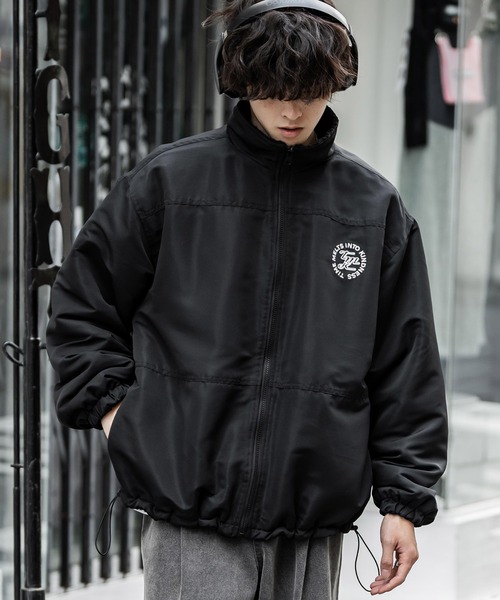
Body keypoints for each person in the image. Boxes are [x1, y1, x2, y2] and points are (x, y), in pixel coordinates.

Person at [46, 1, 448, 598]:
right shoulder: (170, 184)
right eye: (274, 90)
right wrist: (122, 417)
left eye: (309, 92)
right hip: (191, 518)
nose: (292, 111)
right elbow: (81, 309)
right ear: (242, 80)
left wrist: (403, 500)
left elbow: (406, 363)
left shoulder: (373, 208)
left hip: (312, 523)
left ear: (335, 82)